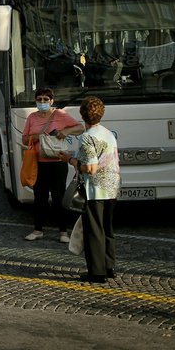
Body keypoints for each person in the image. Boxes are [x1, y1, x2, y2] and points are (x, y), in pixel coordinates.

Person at [22, 87, 84, 243]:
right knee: (39, 198)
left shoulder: (60, 115)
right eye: (39, 99)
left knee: (59, 197)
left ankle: (63, 232)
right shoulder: (32, 118)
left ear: (52, 101)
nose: (42, 102)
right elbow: (24, 139)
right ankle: (37, 230)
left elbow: (81, 128)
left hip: (58, 162)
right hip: (39, 163)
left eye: (45, 99)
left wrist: (66, 132)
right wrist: (37, 137)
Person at [71, 96, 120, 283]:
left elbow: (90, 168)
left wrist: (71, 160)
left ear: (82, 115)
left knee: (94, 230)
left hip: (96, 189)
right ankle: (109, 267)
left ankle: (96, 272)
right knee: (107, 229)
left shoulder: (87, 137)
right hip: (112, 186)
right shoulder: (108, 133)